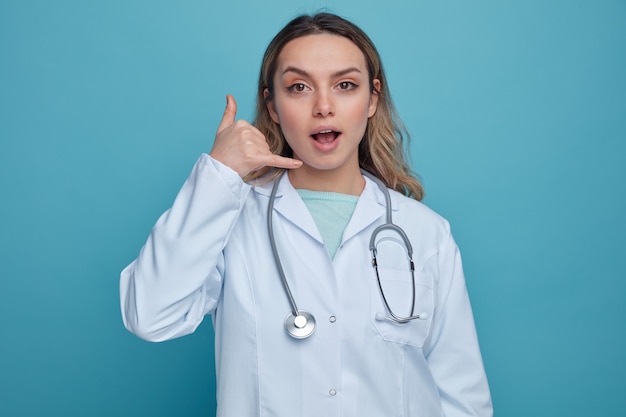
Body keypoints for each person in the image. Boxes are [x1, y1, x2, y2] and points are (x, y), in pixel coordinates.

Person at [120, 12, 493, 417]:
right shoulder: (230, 217)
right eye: (298, 87)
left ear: (372, 99)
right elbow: (149, 315)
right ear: (273, 106)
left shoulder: (426, 233)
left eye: (345, 85)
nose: (324, 106)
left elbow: (463, 400)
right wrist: (218, 175)